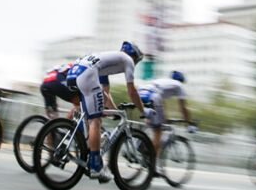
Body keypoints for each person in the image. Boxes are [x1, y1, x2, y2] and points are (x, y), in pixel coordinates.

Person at [65, 41, 144, 182]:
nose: (135, 64)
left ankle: (89, 152)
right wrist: (142, 110)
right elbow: (132, 92)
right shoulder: (128, 60)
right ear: (134, 56)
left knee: (91, 116)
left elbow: (102, 91)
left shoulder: (107, 59)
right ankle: (95, 166)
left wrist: (113, 110)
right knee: (95, 121)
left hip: (73, 74)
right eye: (137, 61)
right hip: (86, 75)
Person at [139, 69, 194, 157]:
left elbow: (162, 104)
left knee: (151, 122)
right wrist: (189, 122)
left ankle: (140, 143)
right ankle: (152, 164)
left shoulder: (165, 82)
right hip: (153, 95)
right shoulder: (179, 85)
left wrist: (165, 118)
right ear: (181, 80)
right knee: (158, 132)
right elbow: (183, 107)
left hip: (141, 92)